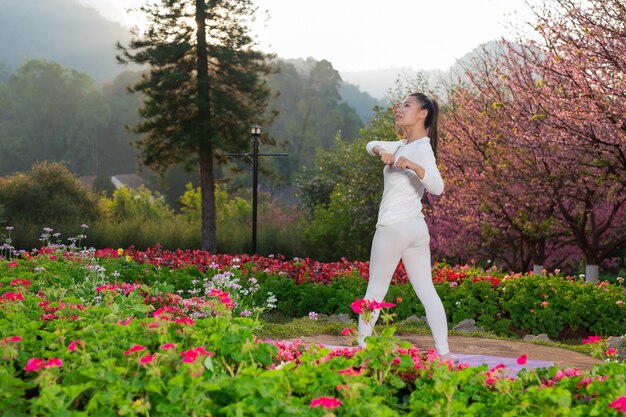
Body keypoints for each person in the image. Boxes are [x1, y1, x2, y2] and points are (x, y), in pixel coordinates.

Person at [358, 92, 457, 362]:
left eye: (406, 105)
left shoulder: (421, 149)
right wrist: (383, 151)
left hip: (394, 227)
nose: (399, 109)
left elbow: (437, 187)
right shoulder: (402, 144)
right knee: (426, 290)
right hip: (414, 229)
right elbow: (371, 144)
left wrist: (414, 167)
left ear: (422, 114)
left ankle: (362, 350)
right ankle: (444, 353)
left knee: (375, 290)